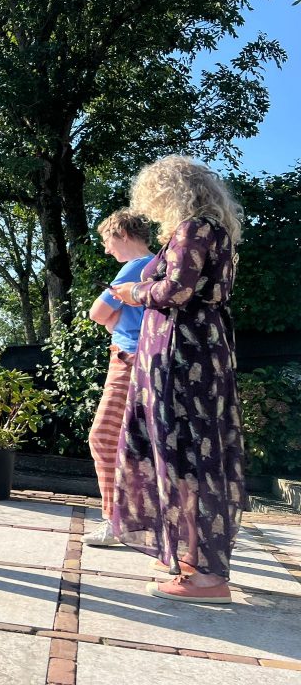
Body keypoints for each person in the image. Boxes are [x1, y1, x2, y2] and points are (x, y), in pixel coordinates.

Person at [110, 156, 244, 604]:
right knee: (188, 455)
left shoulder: (194, 229)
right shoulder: (213, 231)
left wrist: (134, 293)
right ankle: (191, 560)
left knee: (185, 455)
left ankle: (205, 576)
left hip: (183, 356)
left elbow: (176, 291)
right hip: (196, 353)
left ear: (172, 192)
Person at [81, 210, 153, 547]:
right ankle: (142, 521)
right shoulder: (159, 265)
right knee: (141, 443)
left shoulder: (135, 267)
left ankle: (116, 521)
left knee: (103, 437)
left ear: (122, 234)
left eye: (107, 241)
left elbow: (97, 313)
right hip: (148, 359)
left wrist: (114, 326)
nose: (107, 250)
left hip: (128, 359)